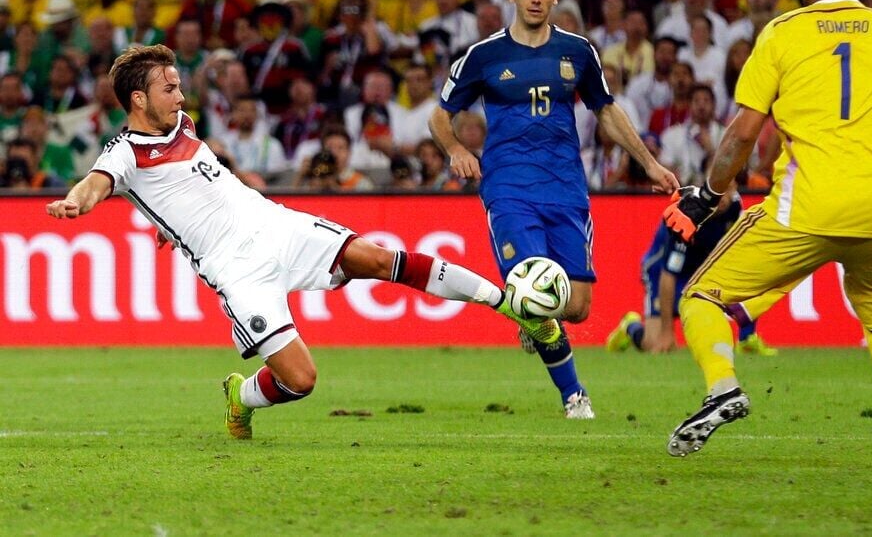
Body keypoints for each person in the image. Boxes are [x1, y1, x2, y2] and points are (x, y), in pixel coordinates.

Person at [45, 43, 560, 440]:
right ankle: (241, 395)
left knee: (381, 259)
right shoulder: (125, 151)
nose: (181, 97)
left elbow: (191, 182)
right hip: (238, 270)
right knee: (300, 380)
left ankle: (511, 306)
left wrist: (167, 223)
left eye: (179, 87)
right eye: (170, 89)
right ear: (139, 99)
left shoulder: (183, 123)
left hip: (275, 225)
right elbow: (98, 182)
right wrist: (77, 201)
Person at [661, 0, 872, 474]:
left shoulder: (780, 33)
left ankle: (723, 390)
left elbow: (741, 135)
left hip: (802, 210)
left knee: (701, 297)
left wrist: (708, 195)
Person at [429, 0, 679, 418]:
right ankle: (574, 395)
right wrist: (456, 150)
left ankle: (531, 316)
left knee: (578, 307)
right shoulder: (483, 56)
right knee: (535, 293)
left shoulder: (578, 51)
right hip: (509, 190)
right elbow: (440, 115)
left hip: (566, 188)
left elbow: (606, 109)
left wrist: (647, 162)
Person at [606, 197, 780, 356]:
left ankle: (746, 339)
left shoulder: (734, 207)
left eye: (731, 188)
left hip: (698, 270)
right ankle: (630, 325)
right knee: (653, 344)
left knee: (750, 270)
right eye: (723, 189)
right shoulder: (689, 212)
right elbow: (669, 272)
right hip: (661, 271)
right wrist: (667, 332)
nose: (725, 197)